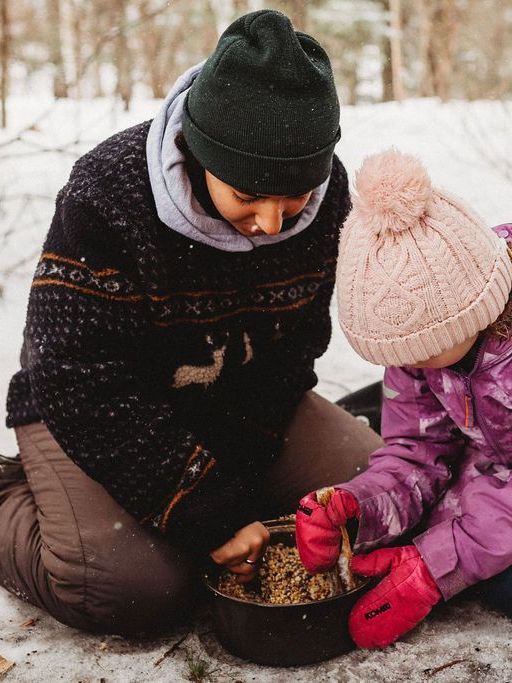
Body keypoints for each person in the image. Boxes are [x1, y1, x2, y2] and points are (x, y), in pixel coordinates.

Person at [1, 10, 382, 636]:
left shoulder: (326, 191)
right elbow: (73, 378)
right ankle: (17, 497)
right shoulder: (109, 195)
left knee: (379, 497)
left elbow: (299, 344)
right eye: (247, 198)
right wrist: (203, 505)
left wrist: (229, 474)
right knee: (137, 592)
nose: (272, 224)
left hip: (240, 401)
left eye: (293, 201)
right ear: (203, 154)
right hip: (94, 411)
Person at [296, 149, 512, 649]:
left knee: (498, 583)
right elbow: (417, 450)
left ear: (472, 310)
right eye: (401, 355)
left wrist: (436, 565)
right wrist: (361, 508)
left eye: (424, 348)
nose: (415, 363)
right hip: (493, 460)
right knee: (421, 539)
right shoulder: (426, 350)